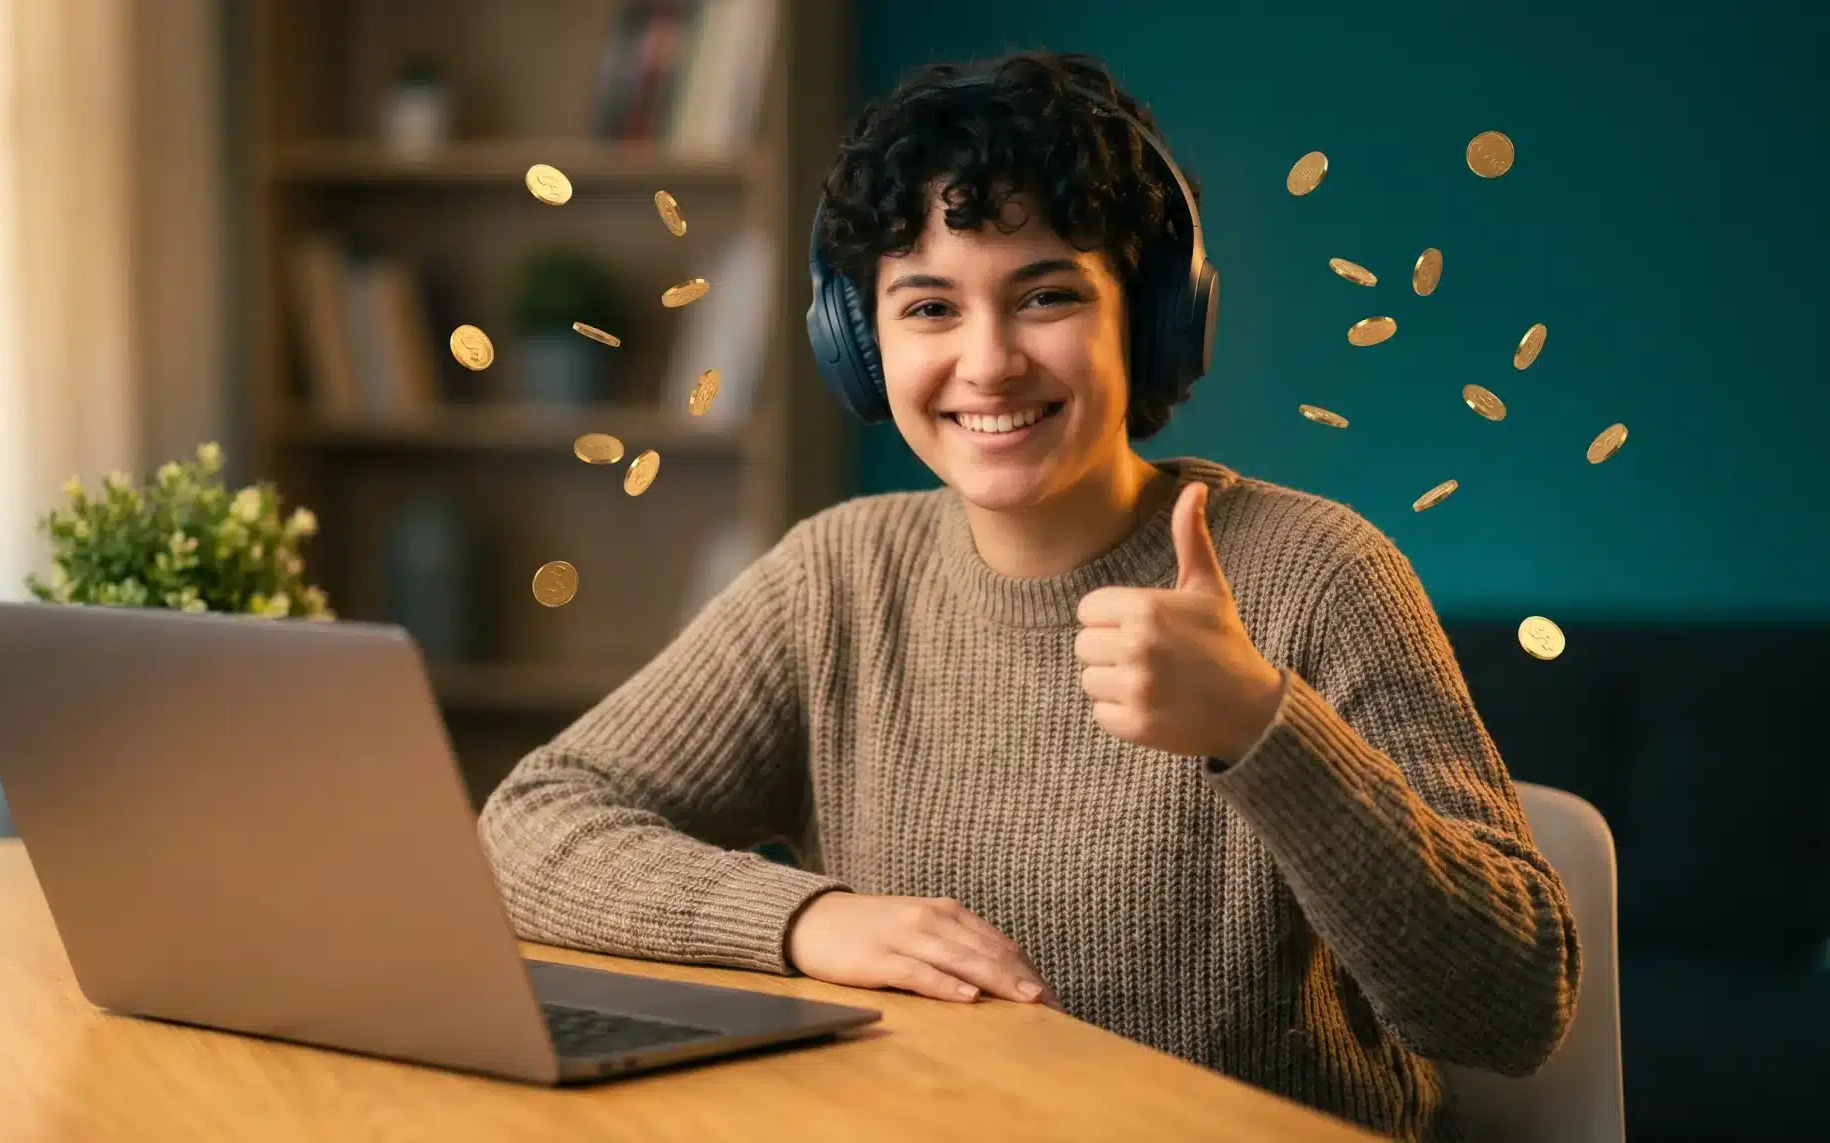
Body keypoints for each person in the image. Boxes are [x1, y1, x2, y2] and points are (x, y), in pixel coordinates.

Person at [478, 50, 1578, 1142]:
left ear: (1145, 317)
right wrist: (804, 920)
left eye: (1044, 294)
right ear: (860, 345)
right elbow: (533, 823)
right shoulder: (837, 579)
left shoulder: (1317, 573)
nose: (987, 361)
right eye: (927, 308)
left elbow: (1511, 1005)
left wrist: (1259, 726)